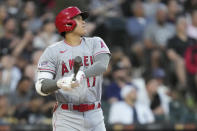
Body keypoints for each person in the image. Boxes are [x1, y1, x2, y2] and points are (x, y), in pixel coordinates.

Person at [35, 6, 111, 131]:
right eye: (79, 19)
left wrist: (82, 74)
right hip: (67, 116)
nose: (84, 22)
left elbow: (102, 65)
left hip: (95, 114)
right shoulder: (52, 51)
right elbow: (41, 86)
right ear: (67, 23)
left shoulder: (95, 42)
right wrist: (59, 83)